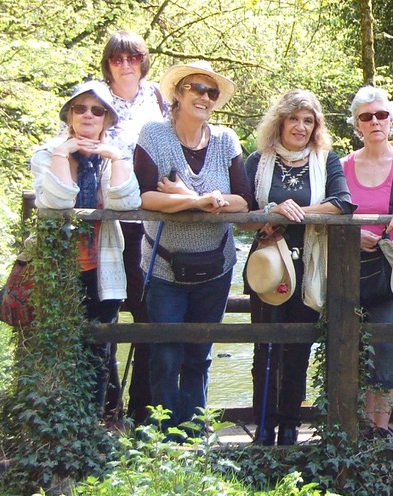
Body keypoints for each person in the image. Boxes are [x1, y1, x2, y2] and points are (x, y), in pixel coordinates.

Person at [135, 61, 251, 433]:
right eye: (196, 89)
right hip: (165, 266)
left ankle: (194, 432)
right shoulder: (153, 135)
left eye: (211, 92)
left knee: (199, 354)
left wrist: (189, 195)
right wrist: (201, 201)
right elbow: (146, 196)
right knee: (166, 354)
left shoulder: (226, 140)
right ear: (178, 94)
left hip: (216, 266)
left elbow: (244, 201)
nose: (204, 97)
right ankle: (164, 437)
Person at [244, 90, 354, 445]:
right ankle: (263, 423)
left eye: (309, 121)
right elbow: (241, 212)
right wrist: (271, 214)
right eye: (294, 119)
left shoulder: (327, 160)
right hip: (267, 263)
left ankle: (290, 422)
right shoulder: (257, 161)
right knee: (266, 346)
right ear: (281, 120)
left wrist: (299, 212)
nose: (301, 127)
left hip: (308, 264)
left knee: (298, 348)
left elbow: (342, 203)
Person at [31, 80, 141, 418]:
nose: (89, 116)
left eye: (97, 110)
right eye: (80, 109)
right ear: (69, 115)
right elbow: (57, 201)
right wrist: (64, 153)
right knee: (59, 346)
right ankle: (60, 424)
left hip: (102, 264)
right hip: (60, 266)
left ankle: (93, 423)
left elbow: (127, 202)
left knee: (99, 348)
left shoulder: (115, 155)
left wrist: (115, 157)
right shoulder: (47, 153)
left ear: (108, 119)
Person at [344, 86, 393, 441]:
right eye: (366, 117)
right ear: (357, 124)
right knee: (348, 342)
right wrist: (352, 234)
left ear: (391, 120)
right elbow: (334, 208)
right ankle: (354, 419)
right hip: (350, 265)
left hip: (392, 266)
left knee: (387, 342)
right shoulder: (343, 165)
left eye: (380, 115)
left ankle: (380, 426)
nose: (374, 122)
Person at [98, 30, 168, 425]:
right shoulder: (94, 98)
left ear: (143, 61)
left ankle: (144, 408)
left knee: (149, 312)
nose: (125, 65)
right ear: (107, 63)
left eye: (133, 58)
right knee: (105, 309)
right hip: (108, 220)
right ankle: (109, 409)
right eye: (117, 59)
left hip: (149, 219)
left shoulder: (157, 98)